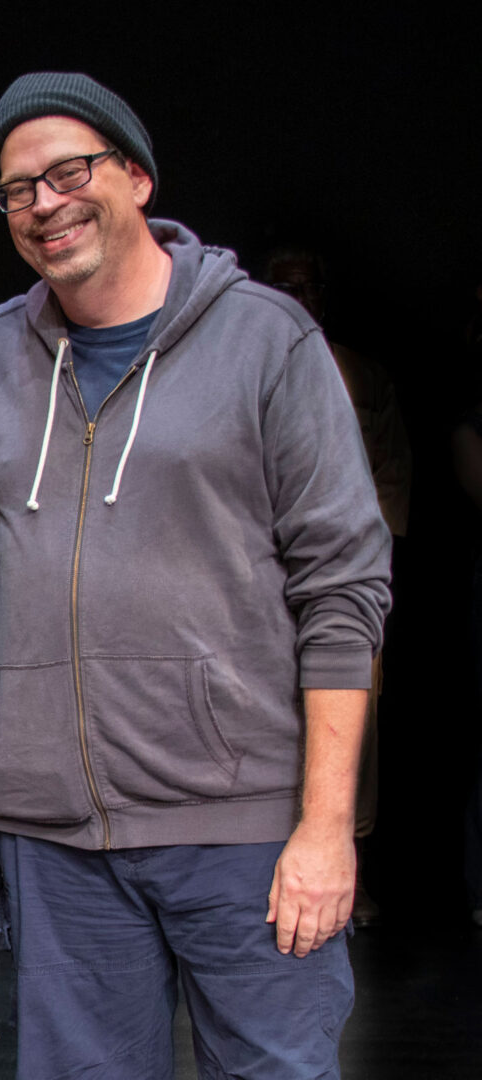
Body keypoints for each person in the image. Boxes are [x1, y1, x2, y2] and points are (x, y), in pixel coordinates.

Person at [0, 72, 391, 1078]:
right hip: (56, 838)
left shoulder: (265, 339)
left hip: (241, 829)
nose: (47, 203)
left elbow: (344, 588)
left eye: (71, 171)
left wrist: (327, 829)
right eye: (19, 190)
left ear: (138, 177)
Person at [264, 245, 413, 927]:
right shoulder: (246, 361)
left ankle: (344, 858)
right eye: (281, 285)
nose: (297, 296)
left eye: (307, 285)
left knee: (356, 718)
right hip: (255, 590)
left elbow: (385, 487)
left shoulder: (362, 376)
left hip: (339, 581)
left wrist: (349, 574)